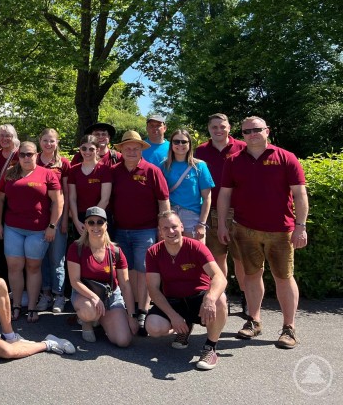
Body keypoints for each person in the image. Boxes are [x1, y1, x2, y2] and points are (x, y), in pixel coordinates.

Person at [217, 116, 308, 349]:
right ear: (242, 135)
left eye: (257, 129)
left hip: (281, 231)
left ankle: (289, 328)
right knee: (251, 276)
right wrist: (222, 225)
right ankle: (254, 320)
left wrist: (301, 226)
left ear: (267, 130)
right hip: (245, 229)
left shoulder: (286, 157)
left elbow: (299, 194)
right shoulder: (233, 160)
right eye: (247, 131)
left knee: (284, 277)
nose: (252, 134)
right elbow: (225, 195)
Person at [145, 211, 228, 370]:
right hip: (174, 301)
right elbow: (153, 289)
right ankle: (184, 326)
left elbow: (220, 277)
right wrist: (173, 316)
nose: (171, 231)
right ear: (160, 231)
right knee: (153, 327)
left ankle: (210, 347)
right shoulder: (153, 252)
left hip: (199, 298)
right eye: (165, 228)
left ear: (182, 227)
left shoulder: (196, 247)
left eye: (174, 226)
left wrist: (210, 298)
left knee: (220, 299)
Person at [110, 130, 170, 334]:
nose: (131, 151)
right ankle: (132, 309)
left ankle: (143, 310)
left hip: (146, 229)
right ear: (121, 150)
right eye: (127, 148)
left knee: (144, 270)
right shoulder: (114, 171)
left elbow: (163, 201)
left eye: (135, 148)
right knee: (126, 271)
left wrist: (163, 227)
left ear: (141, 150)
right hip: (120, 229)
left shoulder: (152, 171)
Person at [0, 141, 63, 323]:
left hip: (38, 230)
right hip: (12, 228)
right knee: (14, 267)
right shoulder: (10, 173)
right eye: (22, 154)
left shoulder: (47, 174)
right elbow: (0, 199)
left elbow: (58, 201)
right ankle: (16, 305)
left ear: (36, 155)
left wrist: (52, 226)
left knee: (33, 267)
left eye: (30, 154)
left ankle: (32, 307)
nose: (26, 158)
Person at [194, 113, 247, 308]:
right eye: (214, 127)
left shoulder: (242, 147)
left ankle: (246, 296)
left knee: (240, 259)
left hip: (238, 211)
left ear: (229, 128)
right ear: (208, 129)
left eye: (222, 126)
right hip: (211, 211)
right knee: (218, 257)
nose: (218, 130)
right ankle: (221, 296)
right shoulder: (200, 151)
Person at [67, 207, 137, 346]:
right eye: (91, 222)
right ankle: (87, 321)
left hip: (110, 296)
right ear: (86, 225)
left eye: (100, 222)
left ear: (106, 225)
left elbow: (125, 285)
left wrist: (131, 316)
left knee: (123, 340)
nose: (95, 226)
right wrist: (94, 298)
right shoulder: (76, 248)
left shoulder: (116, 251)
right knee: (90, 310)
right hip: (85, 294)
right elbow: (74, 281)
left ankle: (100, 318)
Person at [157, 129, 214, 243]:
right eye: (176, 141)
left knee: (193, 252)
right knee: (171, 251)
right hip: (171, 214)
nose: (180, 145)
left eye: (184, 142)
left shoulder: (199, 166)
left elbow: (207, 198)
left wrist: (202, 224)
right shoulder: (164, 166)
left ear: (189, 144)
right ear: (171, 144)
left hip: (192, 216)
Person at [36, 128, 71, 313]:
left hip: (57, 215)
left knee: (57, 258)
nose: (48, 144)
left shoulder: (63, 163)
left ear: (57, 143)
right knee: (41, 258)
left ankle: (59, 295)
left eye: (52, 141)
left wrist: (64, 219)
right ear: (39, 141)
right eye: (45, 140)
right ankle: (46, 293)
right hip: (37, 216)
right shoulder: (33, 159)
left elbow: (66, 193)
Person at [68, 135, 112, 236]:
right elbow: (72, 198)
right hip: (80, 220)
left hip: (100, 217)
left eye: (91, 149)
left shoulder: (104, 170)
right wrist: (76, 221)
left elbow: (105, 200)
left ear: (97, 150)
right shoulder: (73, 170)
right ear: (80, 149)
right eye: (84, 148)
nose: (87, 152)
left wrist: (91, 221)